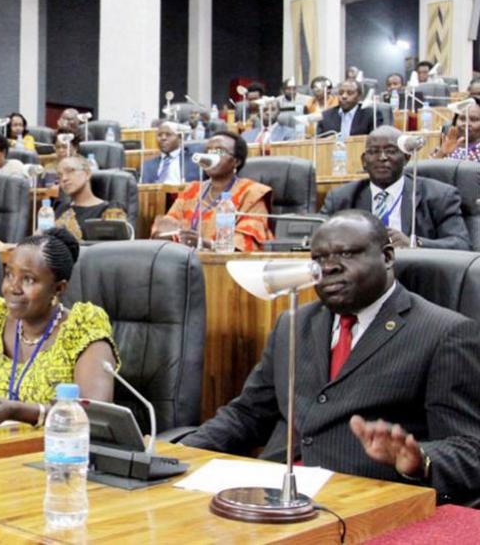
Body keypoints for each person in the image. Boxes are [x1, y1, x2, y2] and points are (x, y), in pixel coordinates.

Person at [181, 210, 480, 506]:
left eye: (347, 254)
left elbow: (469, 449)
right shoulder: (294, 323)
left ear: (387, 257)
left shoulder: (444, 333)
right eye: (319, 259)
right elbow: (248, 414)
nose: (329, 268)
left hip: (365, 499)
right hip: (273, 492)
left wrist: (421, 460)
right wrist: (175, 452)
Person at [0, 228, 118, 429]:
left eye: (28, 279)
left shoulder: (83, 330)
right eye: (9, 275)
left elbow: (94, 415)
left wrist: (20, 411)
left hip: (59, 451)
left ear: (59, 288)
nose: (13, 288)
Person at [322, 126, 470, 250]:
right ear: (364, 161)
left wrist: (414, 244)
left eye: (391, 151)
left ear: (406, 158)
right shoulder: (342, 198)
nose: (382, 157)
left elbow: (460, 244)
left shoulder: (439, 195)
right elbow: (317, 239)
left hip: (415, 276)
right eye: (373, 152)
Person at [151, 131, 274, 252]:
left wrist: (205, 244)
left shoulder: (251, 193)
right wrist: (164, 233)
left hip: (223, 267)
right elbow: (168, 225)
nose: (211, 156)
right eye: (208, 151)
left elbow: (246, 243)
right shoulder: (191, 190)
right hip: (185, 263)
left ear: (236, 161)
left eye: (219, 151)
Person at [54, 156, 128, 240]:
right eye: (59, 176)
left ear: (87, 174)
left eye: (70, 171)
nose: (64, 179)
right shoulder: (61, 209)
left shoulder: (111, 210)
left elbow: (114, 248)